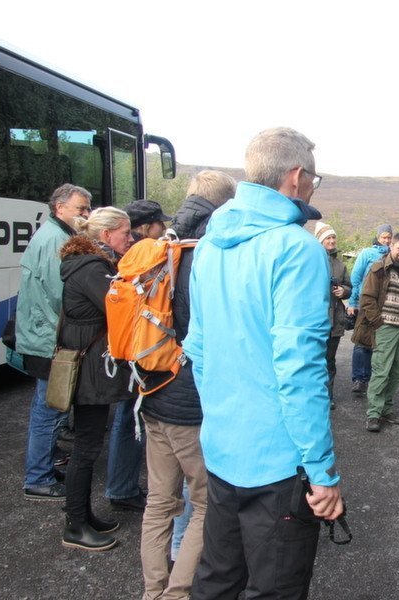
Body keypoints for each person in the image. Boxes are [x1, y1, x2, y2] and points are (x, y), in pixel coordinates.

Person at [185, 128, 343, 598]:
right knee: (275, 589)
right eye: (314, 178)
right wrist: (322, 471)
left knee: (216, 578)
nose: (313, 186)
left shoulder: (209, 245)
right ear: (295, 177)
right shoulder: (298, 249)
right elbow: (300, 371)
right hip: (278, 463)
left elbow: (198, 350)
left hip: (222, 448)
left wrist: (221, 419)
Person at [138, 170, 236, 600]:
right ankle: (177, 594)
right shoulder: (211, 254)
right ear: (225, 205)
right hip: (190, 400)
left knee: (159, 502)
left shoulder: (161, 245)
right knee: (204, 503)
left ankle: (152, 591)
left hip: (151, 389)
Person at [58, 207, 136, 551]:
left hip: (86, 364)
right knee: (86, 448)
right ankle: (75, 526)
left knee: (87, 446)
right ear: (106, 236)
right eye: (125, 233)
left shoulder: (87, 264)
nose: (130, 239)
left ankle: (83, 515)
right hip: (89, 369)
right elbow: (119, 309)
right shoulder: (93, 268)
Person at [17, 184, 90, 501]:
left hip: (44, 336)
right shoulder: (56, 241)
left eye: (87, 209)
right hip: (49, 339)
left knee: (47, 408)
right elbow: (62, 295)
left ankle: (42, 468)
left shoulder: (55, 235)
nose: (86, 214)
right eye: (81, 209)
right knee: (50, 410)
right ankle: (38, 478)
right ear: (60, 208)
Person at [103, 198, 171, 513]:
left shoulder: (124, 258)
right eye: (159, 223)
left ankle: (121, 486)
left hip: (125, 350)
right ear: (146, 227)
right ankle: (122, 488)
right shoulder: (144, 257)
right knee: (130, 419)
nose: (163, 228)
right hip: (140, 351)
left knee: (125, 417)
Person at [352, 232, 399, 432]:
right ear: (391, 247)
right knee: (381, 370)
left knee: (396, 372)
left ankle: (386, 410)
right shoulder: (378, 268)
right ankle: (373, 413)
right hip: (385, 327)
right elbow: (366, 297)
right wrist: (378, 322)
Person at [347, 224, 393, 396]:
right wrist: (353, 302)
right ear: (378, 237)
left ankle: (373, 380)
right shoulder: (367, 253)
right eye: (384, 237)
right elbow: (356, 278)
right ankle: (359, 379)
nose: (386, 240)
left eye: (389, 237)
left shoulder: (393, 255)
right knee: (362, 342)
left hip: (384, 306)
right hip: (365, 303)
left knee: (378, 343)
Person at [314, 221, 352, 410]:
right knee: (314, 361)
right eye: (327, 238)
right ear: (320, 240)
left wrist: (343, 291)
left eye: (333, 237)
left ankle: (328, 397)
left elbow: (349, 287)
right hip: (315, 320)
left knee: (330, 360)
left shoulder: (340, 265)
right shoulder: (312, 261)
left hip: (335, 320)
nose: (331, 241)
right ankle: (314, 396)